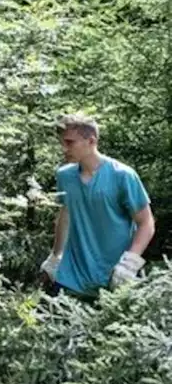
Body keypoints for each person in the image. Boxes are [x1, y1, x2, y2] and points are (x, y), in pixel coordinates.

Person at [40, 114, 156, 299]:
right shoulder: (65, 176)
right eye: (62, 142)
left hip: (112, 273)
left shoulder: (122, 175)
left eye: (70, 142)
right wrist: (55, 256)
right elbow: (66, 213)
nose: (64, 148)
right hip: (71, 273)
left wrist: (130, 263)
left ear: (91, 141)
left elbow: (146, 222)